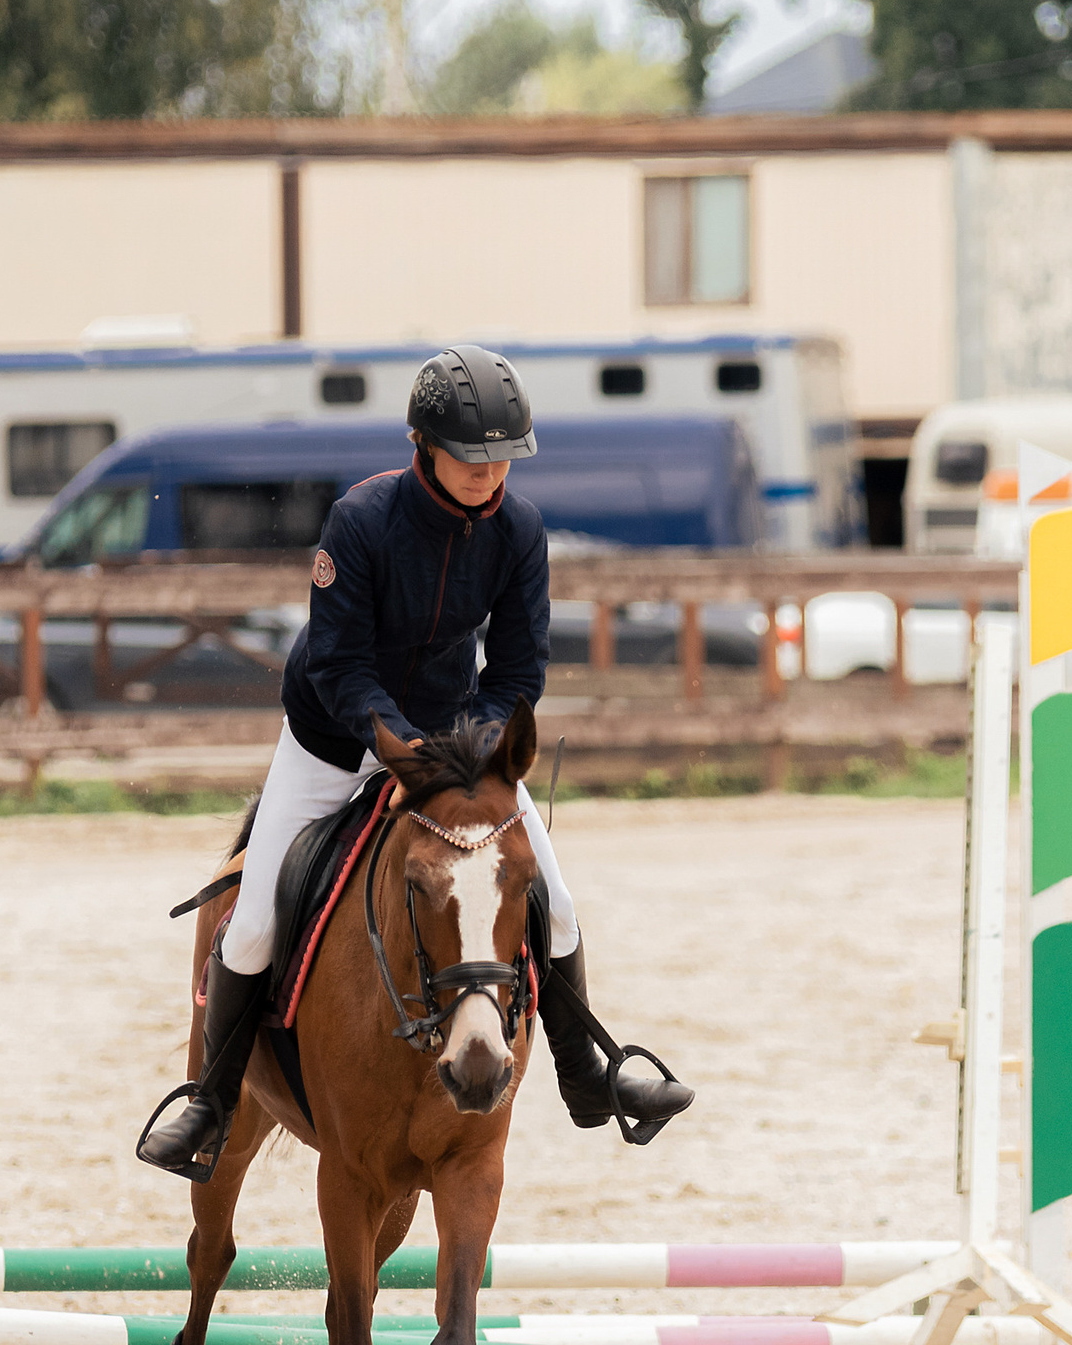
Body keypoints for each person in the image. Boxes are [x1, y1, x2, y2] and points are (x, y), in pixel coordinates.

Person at [136, 344, 695, 1181]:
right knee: (250, 922)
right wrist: (398, 748)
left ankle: (590, 1075)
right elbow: (339, 664)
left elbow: (516, 673)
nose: (488, 473)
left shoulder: (520, 533)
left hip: (451, 754)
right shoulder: (360, 521)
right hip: (332, 741)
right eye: (471, 456)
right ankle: (213, 1102)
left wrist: (470, 753)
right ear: (421, 444)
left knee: (561, 902)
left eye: (502, 457)